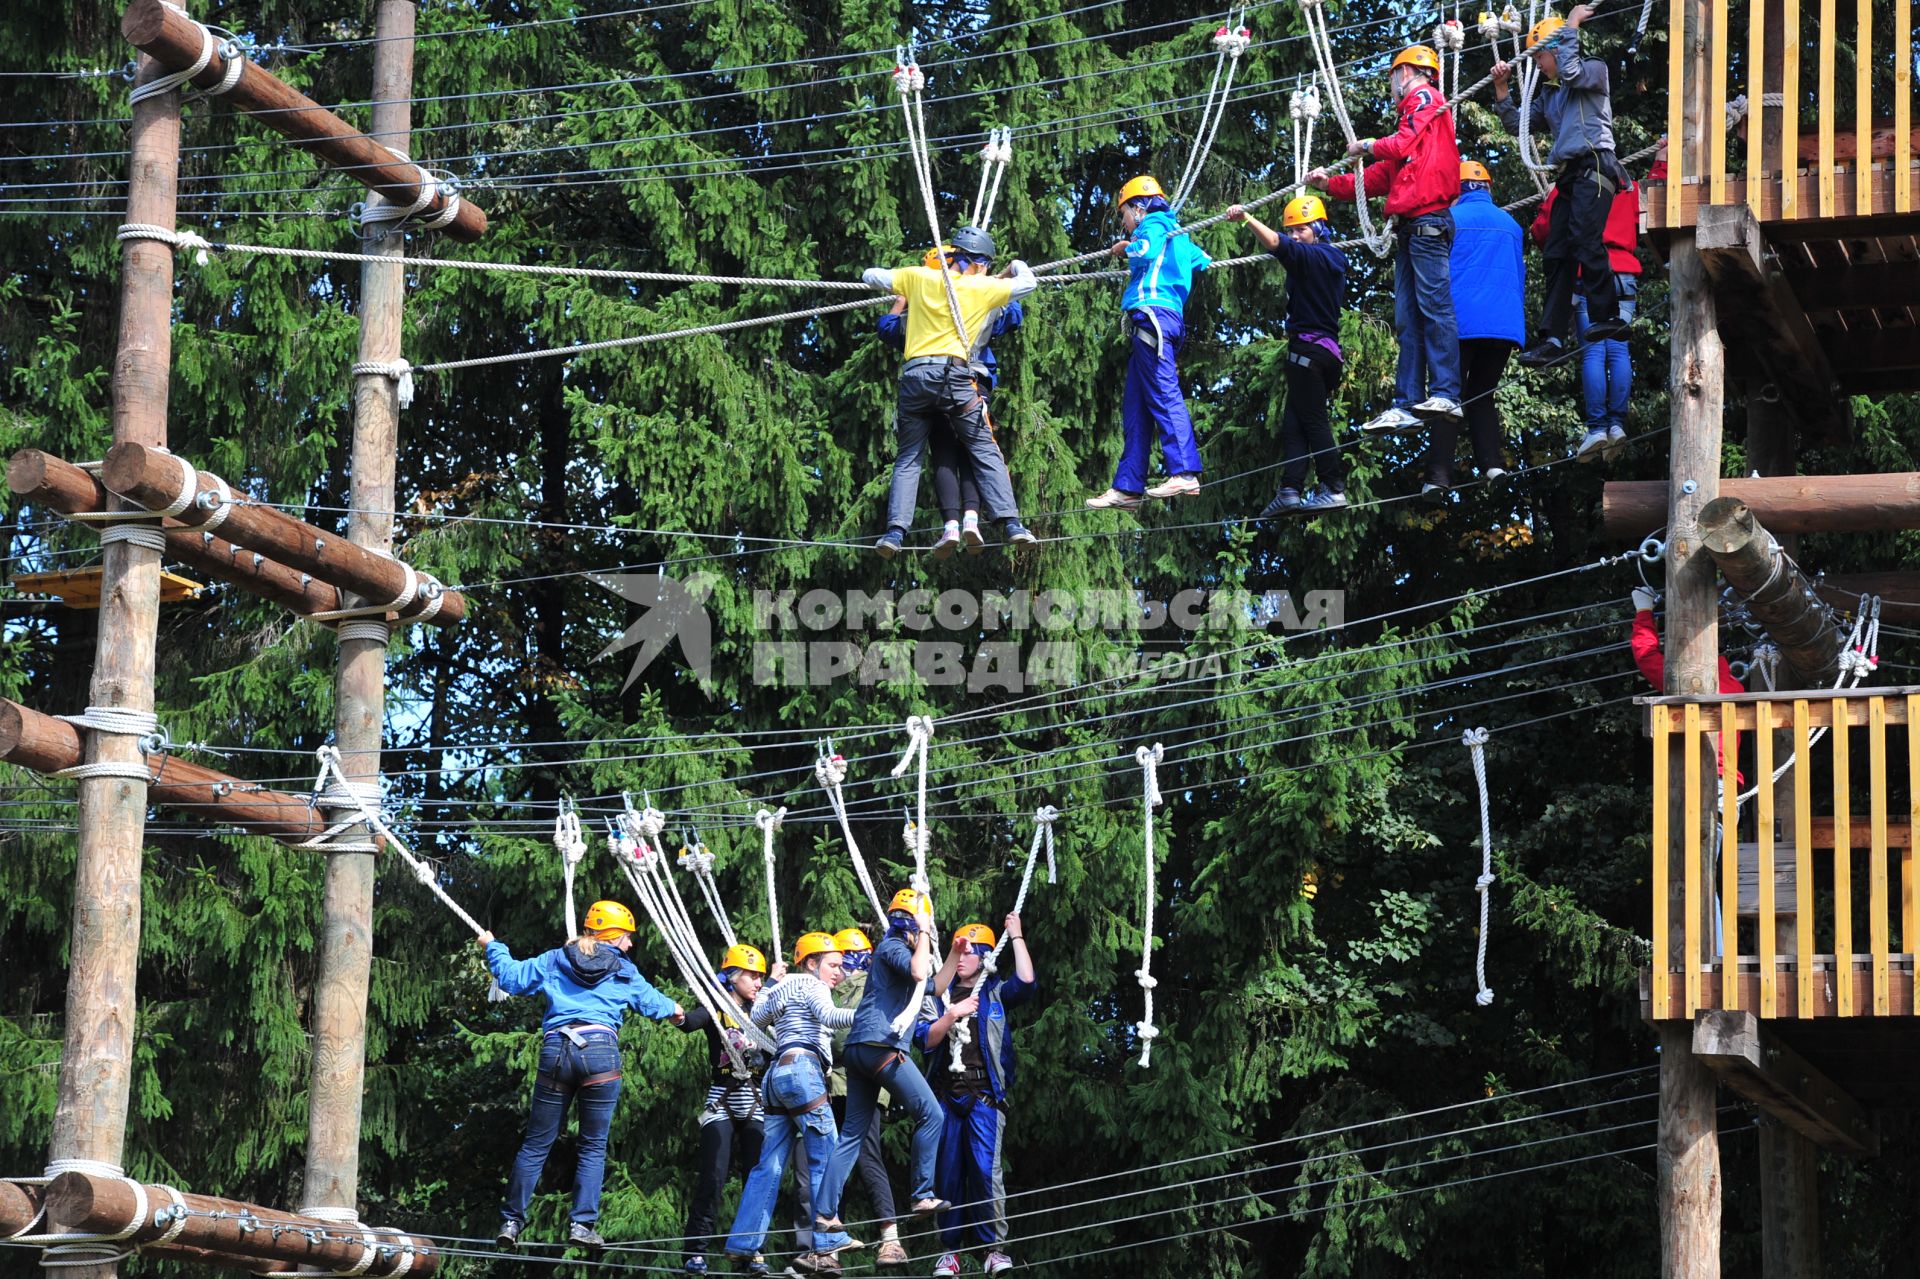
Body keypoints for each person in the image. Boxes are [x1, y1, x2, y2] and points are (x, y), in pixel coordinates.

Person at [482, 901, 685, 1253]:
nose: (631, 945)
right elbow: (656, 1004)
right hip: (600, 1054)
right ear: (613, 936)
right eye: (627, 937)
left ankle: (512, 1221)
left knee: (535, 1144)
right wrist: (678, 1012)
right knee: (592, 1146)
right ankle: (582, 1224)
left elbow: (512, 978)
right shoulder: (624, 970)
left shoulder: (555, 959)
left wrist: (492, 947)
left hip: (557, 1050)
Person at [1309, 45, 1464, 433]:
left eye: (1393, 76)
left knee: (1434, 309)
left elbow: (1396, 145)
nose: (1392, 85)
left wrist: (1363, 145)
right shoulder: (1414, 132)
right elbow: (1379, 177)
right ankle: (1408, 403)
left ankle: (1446, 391)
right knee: (1408, 320)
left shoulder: (1425, 98)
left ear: (1406, 72)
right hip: (1410, 228)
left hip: (1428, 221)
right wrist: (1331, 185)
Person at [862, 227, 1039, 557]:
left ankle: (895, 532)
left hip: (914, 378)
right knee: (983, 448)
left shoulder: (919, 278)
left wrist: (905, 292)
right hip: (954, 377)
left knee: (908, 458)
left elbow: (870, 275)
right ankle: (1011, 523)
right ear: (979, 263)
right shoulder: (981, 288)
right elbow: (1028, 285)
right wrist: (1016, 265)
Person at [815, 890, 965, 1242]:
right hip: (881, 1046)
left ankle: (824, 1212)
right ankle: (922, 1193)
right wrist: (925, 930)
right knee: (932, 1114)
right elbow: (918, 970)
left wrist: (955, 953)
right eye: (921, 927)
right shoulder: (894, 945)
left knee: (852, 1134)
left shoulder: (894, 956)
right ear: (912, 924)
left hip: (859, 1049)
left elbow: (933, 985)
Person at [1492, 5, 1629, 369]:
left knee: (1585, 237)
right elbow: (1517, 126)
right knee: (1556, 254)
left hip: (1596, 164)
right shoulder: (1549, 96)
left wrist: (1570, 25)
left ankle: (1607, 315)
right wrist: (1503, 89)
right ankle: (1552, 336)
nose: (1536, 63)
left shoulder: (1594, 71)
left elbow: (1571, 70)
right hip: (1570, 175)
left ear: (1557, 48)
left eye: (1540, 55)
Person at [724, 932, 859, 1276]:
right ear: (811, 963)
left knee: (767, 1165)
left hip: (775, 1077)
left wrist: (770, 985)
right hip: (803, 1072)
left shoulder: (781, 987)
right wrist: (864, 1017)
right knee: (824, 1157)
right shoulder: (812, 985)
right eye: (832, 965)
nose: (838, 973)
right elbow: (828, 1016)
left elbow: (754, 1020)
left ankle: (743, 1242)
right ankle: (827, 1241)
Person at [917, 917, 1036, 1279]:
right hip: (946, 1097)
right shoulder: (936, 997)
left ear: (985, 956)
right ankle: (950, 1253)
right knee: (947, 1173)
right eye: (961, 951)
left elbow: (1027, 982)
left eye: (971, 952)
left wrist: (1016, 934)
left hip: (985, 1096)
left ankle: (993, 1249)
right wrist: (953, 1012)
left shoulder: (995, 993)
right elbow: (925, 1040)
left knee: (986, 1171)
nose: (963, 957)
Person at [1085, 174, 1213, 511]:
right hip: (1158, 321)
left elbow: (1145, 250)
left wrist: (1126, 248)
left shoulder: (1153, 224)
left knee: (1164, 391)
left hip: (1153, 315)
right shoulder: (1178, 235)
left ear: (1138, 208)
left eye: (1124, 215)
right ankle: (1128, 487)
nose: (1124, 223)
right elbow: (1203, 260)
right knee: (1137, 406)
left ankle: (1184, 471)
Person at [1227, 195, 1350, 517]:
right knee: (1294, 424)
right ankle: (1290, 490)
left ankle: (1333, 487)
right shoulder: (1334, 260)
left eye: (1301, 230)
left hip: (1307, 352)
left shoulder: (1310, 258)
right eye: (1292, 231)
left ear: (1319, 228)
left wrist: (1246, 219)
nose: (1296, 236)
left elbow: (1277, 244)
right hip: (1326, 354)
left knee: (1312, 421)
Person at [1531, 163, 1645, 462]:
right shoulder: (1627, 184)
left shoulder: (1572, 184)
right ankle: (1617, 424)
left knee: (1594, 352)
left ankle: (1597, 428)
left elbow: (1544, 231)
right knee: (1619, 350)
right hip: (1624, 272)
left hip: (1591, 274)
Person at [1426, 160, 1525, 498]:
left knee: (1446, 398)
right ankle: (1493, 465)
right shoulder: (1511, 225)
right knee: (1481, 397)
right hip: (1502, 326)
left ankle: (1438, 476)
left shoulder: (1449, 220)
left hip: (1460, 322)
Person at [677, 944, 777, 1275]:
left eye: (760, 977)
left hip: (755, 1098)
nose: (757, 983)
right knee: (713, 1176)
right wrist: (674, 1012)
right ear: (733, 977)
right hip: (721, 1097)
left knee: (757, 1179)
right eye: (751, 976)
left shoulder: (762, 1009)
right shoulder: (716, 1008)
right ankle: (695, 1250)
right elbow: (690, 1022)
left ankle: (751, 1250)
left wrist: (775, 982)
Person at [825, 927, 908, 1267]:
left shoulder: (857, 988)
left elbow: (845, 1039)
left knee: (859, 1156)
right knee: (840, 1160)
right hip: (849, 1084)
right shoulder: (869, 986)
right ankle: (832, 1242)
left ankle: (888, 1236)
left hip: (852, 1083)